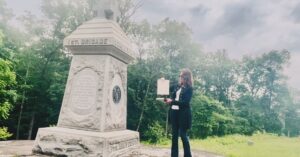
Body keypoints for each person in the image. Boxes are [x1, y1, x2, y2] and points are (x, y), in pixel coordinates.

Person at [164, 68, 193, 157]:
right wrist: (168, 100)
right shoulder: (177, 86)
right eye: (180, 76)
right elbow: (173, 98)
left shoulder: (190, 89)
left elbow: (185, 103)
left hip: (183, 114)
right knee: (174, 136)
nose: (179, 77)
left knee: (183, 135)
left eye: (181, 76)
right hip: (174, 113)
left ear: (186, 77)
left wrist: (172, 102)